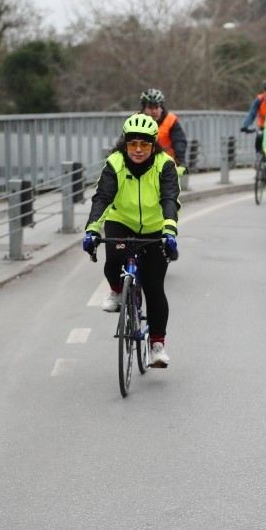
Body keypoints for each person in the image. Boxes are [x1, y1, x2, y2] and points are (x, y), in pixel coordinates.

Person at [82, 113, 180, 368]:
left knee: (154, 286)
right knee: (112, 259)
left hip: (154, 227)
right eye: (133, 144)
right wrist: (92, 230)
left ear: (153, 144)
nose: (138, 150)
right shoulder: (114, 163)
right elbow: (102, 198)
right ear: (125, 143)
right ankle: (117, 290)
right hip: (121, 221)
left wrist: (169, 231)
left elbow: (170, 200)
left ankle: (157, 345)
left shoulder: (164, 165)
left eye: (144, 144)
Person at [140, 88, 188, 169]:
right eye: (150, 108)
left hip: (167, 164)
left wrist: (180, 161)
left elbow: (179, 141)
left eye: (156, 107)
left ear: (161, 107)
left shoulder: (170, 120)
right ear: (144, 108)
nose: (154, 111)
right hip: (142, 164)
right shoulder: (136, 120)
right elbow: (124, 141)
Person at [240, 77, 266, 157]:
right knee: (259, 136)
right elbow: (252, 113)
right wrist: (246, 125)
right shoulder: (259, 99)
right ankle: (259, 156)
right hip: (263, 127)